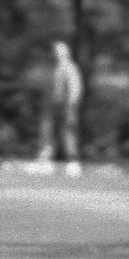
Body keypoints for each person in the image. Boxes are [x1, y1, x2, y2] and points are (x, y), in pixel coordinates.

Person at [33, 39, 83, 176]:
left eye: (58, 51)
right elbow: (47, 88)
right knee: (46, 133)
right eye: (54, 51)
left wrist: (71, 106)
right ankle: (45, 161)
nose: (55, 54)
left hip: (66, 106)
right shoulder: (52, 68)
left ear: (65, 53)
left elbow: (75, 89)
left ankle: (73, 163)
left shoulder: (70, 68)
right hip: (50, 106)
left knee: (68, 134)